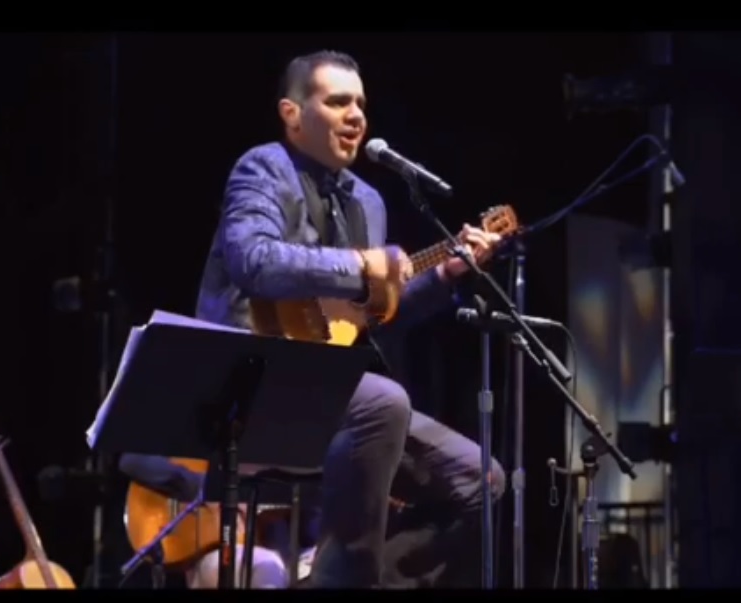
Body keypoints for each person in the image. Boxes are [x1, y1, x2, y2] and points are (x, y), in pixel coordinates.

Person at [193, 49, 507, 588]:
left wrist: (445, 276)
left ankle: (333, 576)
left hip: (330, 390)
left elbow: (371, 315)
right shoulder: (263, 168)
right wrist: (363, 264)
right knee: (382, 399)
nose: (356, 115)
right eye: (338, 101)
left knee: (482, 482)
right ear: (292, 114)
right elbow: (254, 260)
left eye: (360, 103)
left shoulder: (369, 201)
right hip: (252, 379)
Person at [117, 453, 291, 588]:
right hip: (214, 553)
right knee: (267, 566)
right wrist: (209, 489)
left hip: (287, 555)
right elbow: (131, 461)